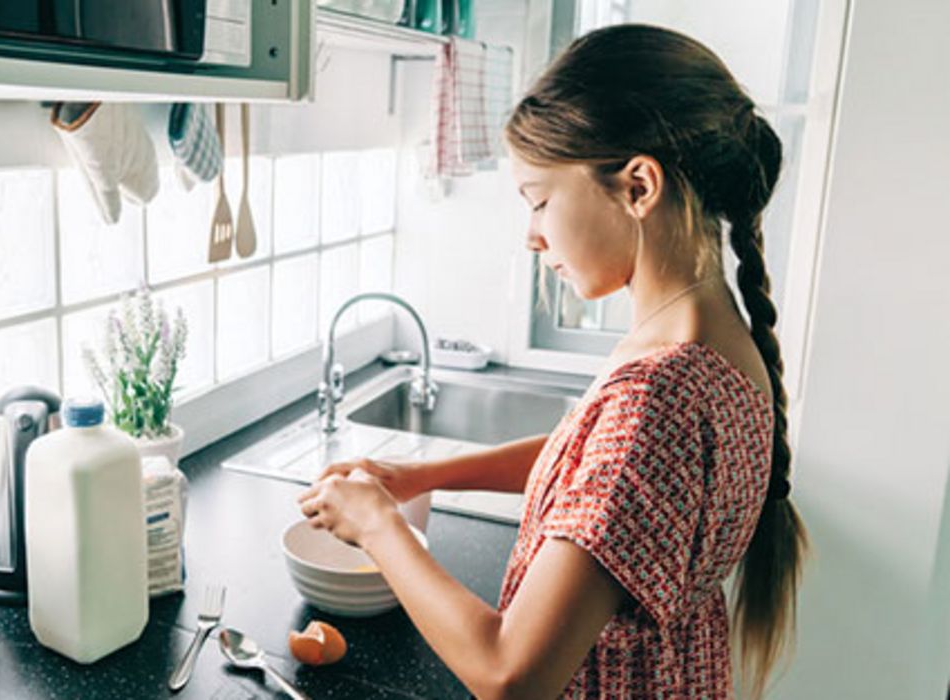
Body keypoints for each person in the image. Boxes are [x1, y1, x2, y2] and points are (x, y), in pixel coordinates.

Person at [298, 24, 807, 699]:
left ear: (638, 186)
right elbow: (595, 471)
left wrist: (378, 527)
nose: (532, 235)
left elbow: (509, 673)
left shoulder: (659, 395)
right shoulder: (714, 341)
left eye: (538, 199)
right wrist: (422, 475)